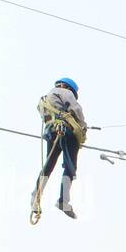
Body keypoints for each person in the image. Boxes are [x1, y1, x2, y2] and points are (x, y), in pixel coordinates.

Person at [32, 78, 87, 220]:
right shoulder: (64, 92)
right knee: (70, 167)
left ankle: (35, 196)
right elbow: (76, 110)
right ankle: (64, 201)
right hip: (65, 131)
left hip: (51, 130)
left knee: (49, 165)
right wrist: (83, 128)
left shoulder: (46, 98)